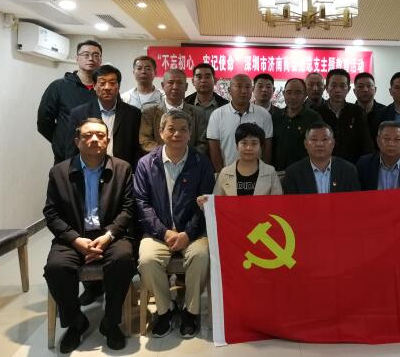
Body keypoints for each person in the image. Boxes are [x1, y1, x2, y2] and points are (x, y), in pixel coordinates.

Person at [43, 118, 135, 353]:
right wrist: (75, 240)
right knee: (56, 267)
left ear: (108, 140)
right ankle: (76, 321)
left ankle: (110, 322)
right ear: (77, 141)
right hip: (73, 236)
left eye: (100, 135)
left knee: (123, 259)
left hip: (110, 235)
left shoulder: (122, 169)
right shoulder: (59, 172)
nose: (94, 139)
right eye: (87, 135)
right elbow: (51, 213)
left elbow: (128, 209)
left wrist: (108, 236)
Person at [135, 110, 215, 338]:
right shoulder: (146, 164)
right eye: (171, 129)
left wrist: (187, 234)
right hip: (157, 232)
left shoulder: (201, 163)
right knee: (147, 260)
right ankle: (165, 309)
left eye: (183, 129)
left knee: (201, 256)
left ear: (190, 134)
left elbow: (205, 203)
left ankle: (190, 310)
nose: (177, 134)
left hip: (193, 232)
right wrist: (164, 232)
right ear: (161, 132)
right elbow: (141, 203)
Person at [37, 40, 102, 164]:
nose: (91, 59)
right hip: (66, 158)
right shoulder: (59, 86)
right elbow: (43, 122)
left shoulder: (105, 89)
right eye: (86, 55)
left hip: (98, 156)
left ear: (100, 60)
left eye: (95, 55)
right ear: (77, 58)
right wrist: (61, 142)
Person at [68, 65, 142, 168]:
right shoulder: (79, 114)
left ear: (118, 86)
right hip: (89, 169)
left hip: (122, 170)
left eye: (112, 83)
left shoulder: (133, 114)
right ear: (94, 86)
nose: (107, 87)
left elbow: (136, 148)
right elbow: (71, 149)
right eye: (102, 83)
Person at [207, 74, 273, 172]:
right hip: (228, 172)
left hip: (256, 173)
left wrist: (263, 172)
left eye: (247, 87)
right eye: (239, 86)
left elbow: (267, 147)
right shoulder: (217, 115)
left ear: (252, 90)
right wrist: (221, 174)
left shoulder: (264, 114)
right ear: (229, 90)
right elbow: (214, 149)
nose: (244, 91)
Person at [315, 69, 374, 163]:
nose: (338, 90)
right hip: (323, 165)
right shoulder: (317, 113)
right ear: (326, 88)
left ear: (348, 89)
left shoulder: (357, 112)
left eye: (342, 86)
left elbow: (366, 144)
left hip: (352, 166)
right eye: (333, 85)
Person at [283, 123, 360, 194]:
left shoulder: (348, 170)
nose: (319, 144)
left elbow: (355, 201)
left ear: (333, 143)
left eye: (325, 139)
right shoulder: (293, 173)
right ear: (306, 144)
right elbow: (291, 203)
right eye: (314, 139)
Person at [139, 69, 204, 154]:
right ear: (163, 85)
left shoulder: (198, 113)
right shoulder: (149, 112)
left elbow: (202, 144)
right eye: (170, 82)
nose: (175, 87)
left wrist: (185, 156)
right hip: (158, 160)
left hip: (191, 160)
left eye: (179, 83)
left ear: (186, 86)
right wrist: (165, 154)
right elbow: (145, 140)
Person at [212, 123, 282, 196]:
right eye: (244, 143)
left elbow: (278, 200)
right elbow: (216, 200)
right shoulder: (225, 173)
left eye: (254, 143)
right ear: (237, 146)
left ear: (261, 147)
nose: (248, 148)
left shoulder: (270, 172)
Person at [356, 121, 400, 190]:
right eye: (387, 139)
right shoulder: (364, 164)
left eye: (397, 139)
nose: (391, 144)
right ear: (378, 141)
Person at [272, 78, 323, 171]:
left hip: (303, 172)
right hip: (277, 172)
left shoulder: (313, 118)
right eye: (289, 92)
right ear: (283, 94)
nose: (293, 97)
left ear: (305, 95)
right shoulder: (275, 116)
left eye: (298, 93)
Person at [185, 63, 229, 153]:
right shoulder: (185, 104)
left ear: (215, 80)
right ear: (193, 81)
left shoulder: (225, 105)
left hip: (219, 154)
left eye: (207, 77)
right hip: (191, 155)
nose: (203, 80)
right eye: (199, 77)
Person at [353, 72, 386, 145]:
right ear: (354, 91)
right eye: (360, 86)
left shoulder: (385, 112)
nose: (365, 90)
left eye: (369, 86)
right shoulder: (348, 112)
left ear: (375, 89)